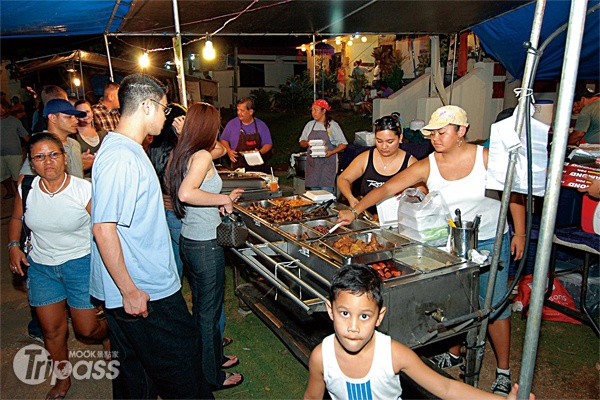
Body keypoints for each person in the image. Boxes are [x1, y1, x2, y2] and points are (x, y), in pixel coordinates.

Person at [337, 105, 526, 396]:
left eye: (442, 132)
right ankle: (454, 351)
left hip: (490, 238)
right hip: (452, 239)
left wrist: (520, 233)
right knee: (455, 299)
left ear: (461, 131)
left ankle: (503, 370)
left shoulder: (485, 159)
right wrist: (356, 209)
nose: (435, 138)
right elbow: (387, 189)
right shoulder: (429, 164)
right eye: (432, 133)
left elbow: (514, 195)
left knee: (496, 304)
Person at [90, 73, 213, 399]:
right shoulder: (121, 157)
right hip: (145, 291)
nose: (166, 116)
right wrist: (129, 290)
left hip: (137, 288)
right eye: (163, 108)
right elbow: (103, 228)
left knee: (136, 379)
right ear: (146, 106)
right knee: (184, 369)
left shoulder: (127, 149)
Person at [303, 264, 534, 400]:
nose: (353, 326)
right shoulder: (321, 357)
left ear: (379, 317)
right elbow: (312, 397)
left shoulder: (393, 354)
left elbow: (447, 387)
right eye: (345, 313)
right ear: (330, 311)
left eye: (364, 316)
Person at [8, 133, 109, 400]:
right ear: (31, 163)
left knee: (87, 330)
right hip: (42, 267)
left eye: (53, 154)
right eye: (39, 157)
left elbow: (103, 228)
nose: (47, 161)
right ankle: (62, 380)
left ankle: (108, 333)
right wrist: (13, 246)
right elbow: (17, 217)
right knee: (52, 330)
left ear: (64, 158)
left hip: (80, 263)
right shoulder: (26, 188)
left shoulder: (84, 189)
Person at [169, 102, 244, 391]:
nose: (220, 127)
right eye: (216, 123)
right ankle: (210, 376)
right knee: (207, 313)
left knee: (204, 307)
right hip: (203, 244)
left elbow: (195, 192)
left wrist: (223, 197)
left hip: (192, 238)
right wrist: (222, 200)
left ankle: (213, 358)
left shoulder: (186, 152)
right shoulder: (200, 155)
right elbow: (187, 193)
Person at [338, 113, 426, 216]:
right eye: (379, 141)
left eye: (390, 141)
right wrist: (350, 197)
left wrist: (410, 196)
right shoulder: (366, 158)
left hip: (397, 218)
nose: (384, 146)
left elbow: (422, 192)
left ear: (400, 138)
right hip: (368, 216)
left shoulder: (410, 163)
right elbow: (343, 179)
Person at [19, 99, 88, 180]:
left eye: (76, 117)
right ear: (53, 118)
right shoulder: (41, 145)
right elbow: (23, 181)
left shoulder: (74, 144)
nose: (76, 121)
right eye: (69, 117)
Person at [299, 99, 348, 193]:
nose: (313, 113)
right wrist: (307, 143)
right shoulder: (310, 125)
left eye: (316, 110)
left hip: (328, 163)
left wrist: (331, 152)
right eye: (312, 110)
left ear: (324, 110)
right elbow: (302, 142)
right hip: (313, 164)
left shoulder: (332, 126)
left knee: (326, 192)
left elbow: (343, 144)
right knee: (314, 193)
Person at [220, 97, 273, 172]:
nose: (239, 113)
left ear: (251, 112)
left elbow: (268, 144)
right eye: (238, 110)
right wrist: (229, 150)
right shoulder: (232, 124)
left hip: (258, 167)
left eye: (242, 110)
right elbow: (223, 139)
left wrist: (260, 152)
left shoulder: (261, 125)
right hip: (238, 166)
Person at [1, 101, 29, 199]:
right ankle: (10, 191)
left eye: (2, 107)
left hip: (14, 152)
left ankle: (18, 194)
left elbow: (24, 134)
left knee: (16, 176)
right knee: (3, 176)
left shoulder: (14, 120)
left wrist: (31, 146)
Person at [74, 100, 108, 177]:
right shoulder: (72, 136)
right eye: (81, 113)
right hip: (84, 179)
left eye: (87, 111)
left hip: (104, 176)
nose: (85, 115)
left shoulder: (103, 132)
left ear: (92, 112)